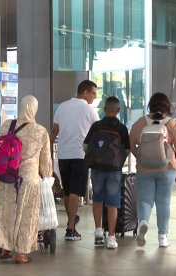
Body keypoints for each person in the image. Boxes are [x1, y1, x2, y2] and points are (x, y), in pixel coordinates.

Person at [0, 95, 52, 264]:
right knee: (26, 214)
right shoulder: (40, 131)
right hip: (28, 179)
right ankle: (21, 253)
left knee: (6, 212)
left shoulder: (7, 125)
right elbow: (45, 162)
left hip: (5, 175)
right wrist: (47, 175)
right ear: (34, 109)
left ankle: (5, 247)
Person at [129, 92, 176, 247]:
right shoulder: (171, 123)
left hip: (144, 168)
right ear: (167, 107)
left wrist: (140, 157)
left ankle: (143, 223)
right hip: (167, 168)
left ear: (150, 106)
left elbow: (131, 144)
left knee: (144, 200)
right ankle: (163, 237)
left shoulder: (141, 123)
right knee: (163, 202)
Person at [50, 79, 99, 241]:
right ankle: (70, 229)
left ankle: (72, 220)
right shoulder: (90, 110)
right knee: (75, 193)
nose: (94, 97)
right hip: (80, 155)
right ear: (85, 92)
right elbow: (98, 132)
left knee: (68, 190)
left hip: (63, 155)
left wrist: (47, 152)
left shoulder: (62, 107)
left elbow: (54, 132)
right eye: (93, 93)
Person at [83, 96, 130, 249]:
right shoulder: (121, 128)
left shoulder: (96, 126)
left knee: (97, 198)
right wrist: (117, 161)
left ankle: (98, 231)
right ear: (118, 110)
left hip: (96, 168)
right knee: (112, 202)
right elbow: (127, 149)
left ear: (104, 109)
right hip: (114, 170)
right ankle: (111, 237)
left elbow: (85, 146)